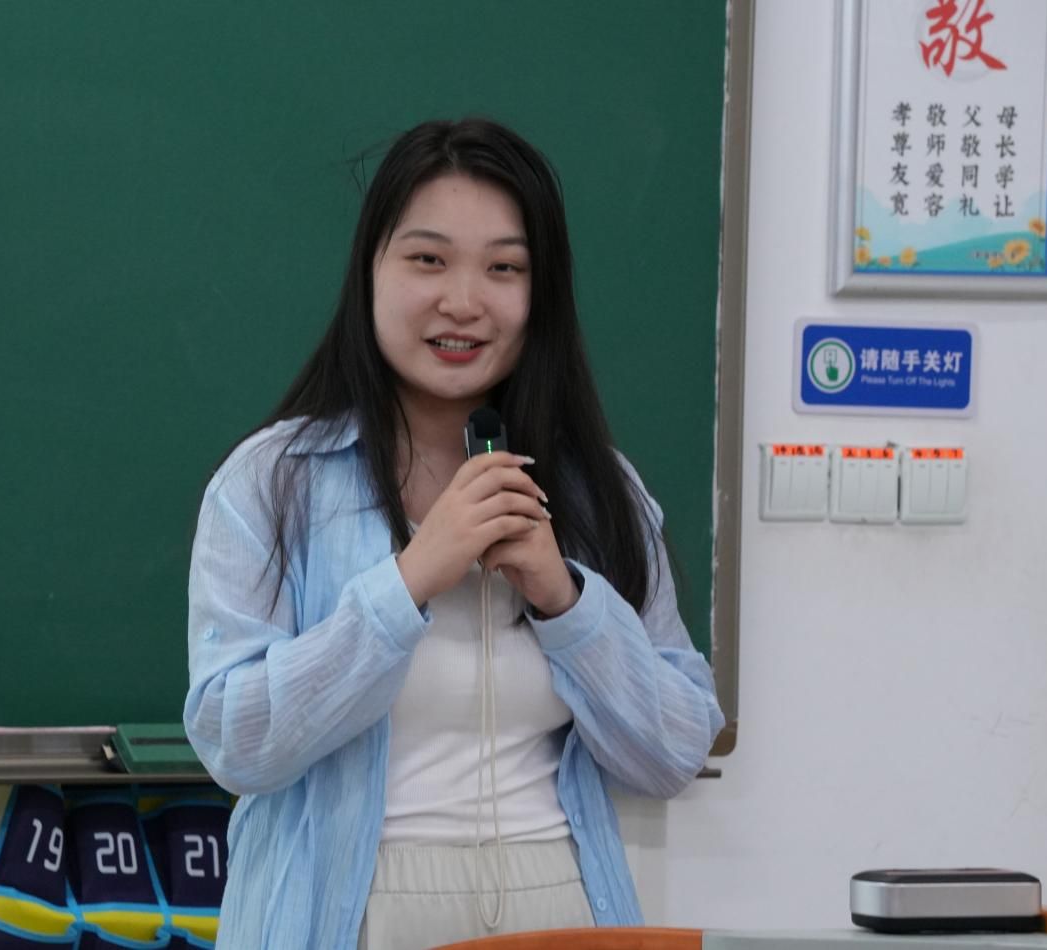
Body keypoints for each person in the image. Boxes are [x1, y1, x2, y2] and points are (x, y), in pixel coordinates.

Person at [185, 117, 724, 950]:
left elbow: (675, 752)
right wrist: (408, 583)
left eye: (504, 268)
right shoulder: (273, 481)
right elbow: (235, 741)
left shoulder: (597, 489)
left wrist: (565, 600)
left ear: (540, 295)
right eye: (428, 260)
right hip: (346, 915)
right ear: (369, 271)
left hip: (559, 906)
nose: (464, 302)